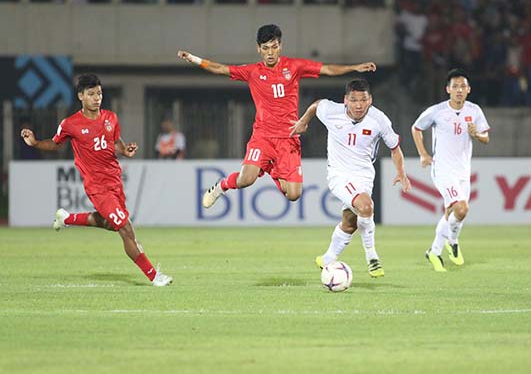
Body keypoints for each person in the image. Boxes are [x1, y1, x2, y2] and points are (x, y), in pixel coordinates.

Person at [177, 24, 377, 207]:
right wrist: (194, 59)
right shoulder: (252, 71)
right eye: (265, 48)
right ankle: (222, 186)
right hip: (262, 136)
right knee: (246, 179)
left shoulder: (294, 66)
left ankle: (272, 169)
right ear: (258, 49)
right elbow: (220, 68)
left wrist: (354, 67)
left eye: (273, 47)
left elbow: (326, 69)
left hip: (289, 138)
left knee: (294, 194)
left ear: (280, 46)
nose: (270, 53)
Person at [20, 73, 173, 287]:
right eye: (91, 94)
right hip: (97, 186)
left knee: (111, 225)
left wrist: (124, 150)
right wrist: (35, 142)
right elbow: (55, 144)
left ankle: (67, 219)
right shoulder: (70, 124)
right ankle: (153, 276)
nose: (96, 98)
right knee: (126, 228)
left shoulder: (111, 118)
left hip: (115, 182)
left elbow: (115, 141)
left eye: (99, 93)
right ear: (81, 96)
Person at [290, 79, 411, 277]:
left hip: (364, 175)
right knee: (366, 206)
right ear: (345, 100)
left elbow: (395, 149)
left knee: (350, 222)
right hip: (339, 174)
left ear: (370, 100)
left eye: (363, 100)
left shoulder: (379, 120)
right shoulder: (332, 111)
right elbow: (316, 105)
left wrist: (401, 172)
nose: (358, 105)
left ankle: (327, 259)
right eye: (354, 100)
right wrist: (303, 122)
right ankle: (372, 258)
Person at [411, 68, 490, 272]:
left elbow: (486, 138)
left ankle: (444, 245)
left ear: (469, 89)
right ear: (448, 89)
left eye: (463, 86)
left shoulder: (474, 111)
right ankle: (440, 248)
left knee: (453, 212)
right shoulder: (437, 111)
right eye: (455, 86)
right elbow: (416, 128)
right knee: (461, 208)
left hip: (463, 170)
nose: (459, 90)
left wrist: (477, 135)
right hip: (443, 170)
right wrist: (423, 154)